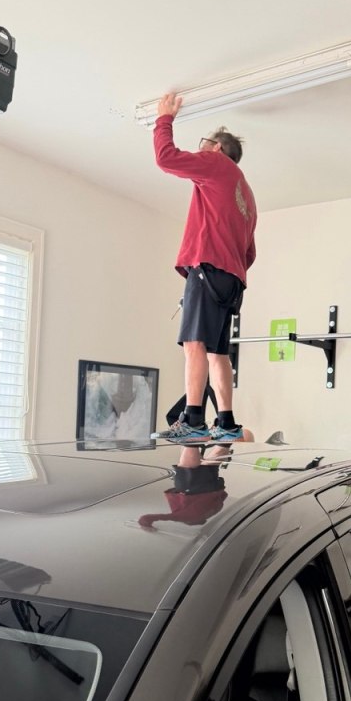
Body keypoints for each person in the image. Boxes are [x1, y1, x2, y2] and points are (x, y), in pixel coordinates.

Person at [152, 92, 257, 444]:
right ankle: (226, 421)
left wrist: (164, 119)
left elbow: (166, 159)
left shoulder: (216, 164)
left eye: (205, 145)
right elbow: (249, 252)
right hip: (232, 280)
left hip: (208, 269)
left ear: (217, 148)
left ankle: (194, 418)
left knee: (194, 344)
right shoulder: (247, 195)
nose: (202, 151)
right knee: (218, 352)